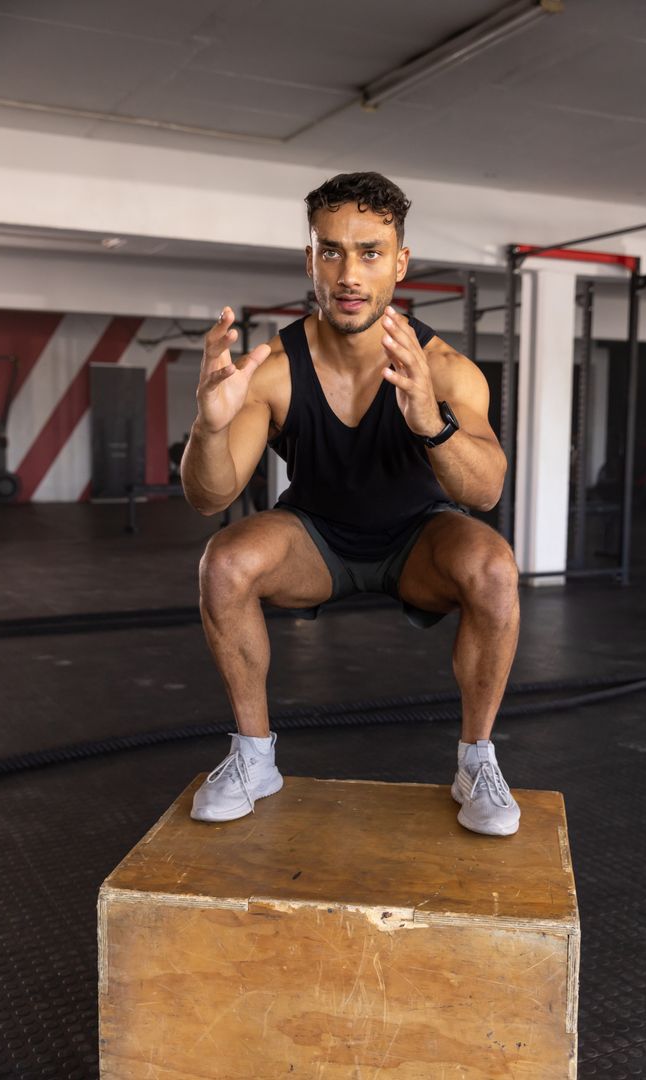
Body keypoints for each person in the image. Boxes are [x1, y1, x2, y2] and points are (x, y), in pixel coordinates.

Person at [181, 171, 520, 836]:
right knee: (223, 561)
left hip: (419, 540)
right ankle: (254, 757)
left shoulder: (446, 368)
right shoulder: (275, 367)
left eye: (369, 252)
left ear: (400, 263)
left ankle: (476, 760)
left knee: (495, 568)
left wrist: (431, 422)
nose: (348, 273)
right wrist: (209, 425)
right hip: (316, 538)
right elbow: (208, 495)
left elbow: (484, 491)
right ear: (310, 259)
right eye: (330, 251)